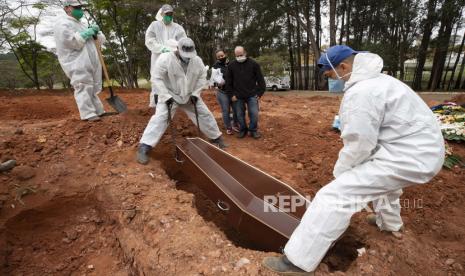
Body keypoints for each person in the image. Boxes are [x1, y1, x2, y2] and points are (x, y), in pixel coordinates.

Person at [262, 45, 445, 275]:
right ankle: (390, 225)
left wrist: (341, 174)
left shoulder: (362, 92)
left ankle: (296, 262)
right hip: (419, 151)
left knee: (335, 196)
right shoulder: (381, 82)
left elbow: (359, 143)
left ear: (343, 67)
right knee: (381, 182)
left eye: (329, 75)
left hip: (410, 155)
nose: (329, 80)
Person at [137, 38, 227, 165]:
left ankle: (216, 138)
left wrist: (196, 94)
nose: (188, 58)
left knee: (204, 114)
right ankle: (144, 146)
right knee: (160, 118)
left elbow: (202, 77)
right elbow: (156, 79)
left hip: (190, 95)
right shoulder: (165, 59)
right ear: (178, 50)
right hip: (170, 95)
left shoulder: (197, 61)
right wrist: (165, 96)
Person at [54, 0, 106, 121]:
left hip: (90, 61)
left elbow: (99, 41)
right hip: (76, 61)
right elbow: (70, 42)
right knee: (82, 85)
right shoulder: (62, 24)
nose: (80, 10)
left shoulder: (81, 24)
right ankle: (88, 114)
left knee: (91, 86)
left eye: (81, 7)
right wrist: (87, 33)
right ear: (67, 8)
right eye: (77, 7)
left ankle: (98, 111)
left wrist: (96, 32)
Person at [145, 4, 187, 108]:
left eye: (171, 14)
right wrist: (161, 48)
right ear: (162, 14)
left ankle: (172, 102)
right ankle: (155, 104)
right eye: (167, 14)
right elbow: (149, 40)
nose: (169, 16)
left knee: (172, 78)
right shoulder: (154, 25)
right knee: (156, 78)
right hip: (157, 57)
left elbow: (183, 42)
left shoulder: (178, 28)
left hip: (173, 58)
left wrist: (176, 49)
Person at [225, 46, 266, 139]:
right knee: (239, 114)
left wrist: (259, 93)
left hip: (252, 94)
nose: (239, 57)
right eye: (237, 56)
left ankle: (253, 130)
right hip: (238, 96)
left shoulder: (254, 64)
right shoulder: (231, 66)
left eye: (241, 55)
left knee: (254, 113)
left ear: (245, 53)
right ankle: (243, 130)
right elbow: (228, 82)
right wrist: (231, 95)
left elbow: (261, 80)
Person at [211, 50, 239, 135]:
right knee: (225, 110)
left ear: (225, 55)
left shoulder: (232, 64)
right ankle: (228, 127)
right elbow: (213, 79)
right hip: (222, 91)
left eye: (222, 55)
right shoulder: (215, 66)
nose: (221, 57)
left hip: (233, 91)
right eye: (219, 56)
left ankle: (235, 124)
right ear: (217, 58)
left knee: (236, 109)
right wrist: (217, 82)